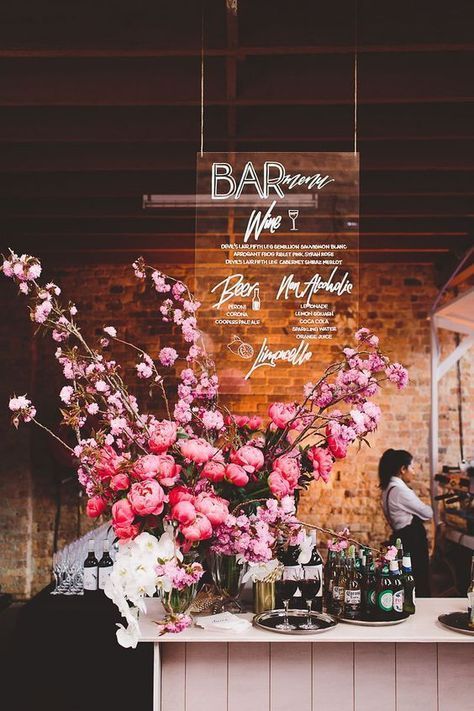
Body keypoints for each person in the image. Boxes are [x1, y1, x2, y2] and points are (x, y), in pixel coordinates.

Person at [379, 448, 433, 597]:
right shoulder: (401, 491)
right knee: (418, 579)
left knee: (406, 582)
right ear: (403, 469)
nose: (414, 472)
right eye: (412, 467)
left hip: (401, 537)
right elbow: (428, 513)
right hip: (412, 540)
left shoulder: (387, 489)